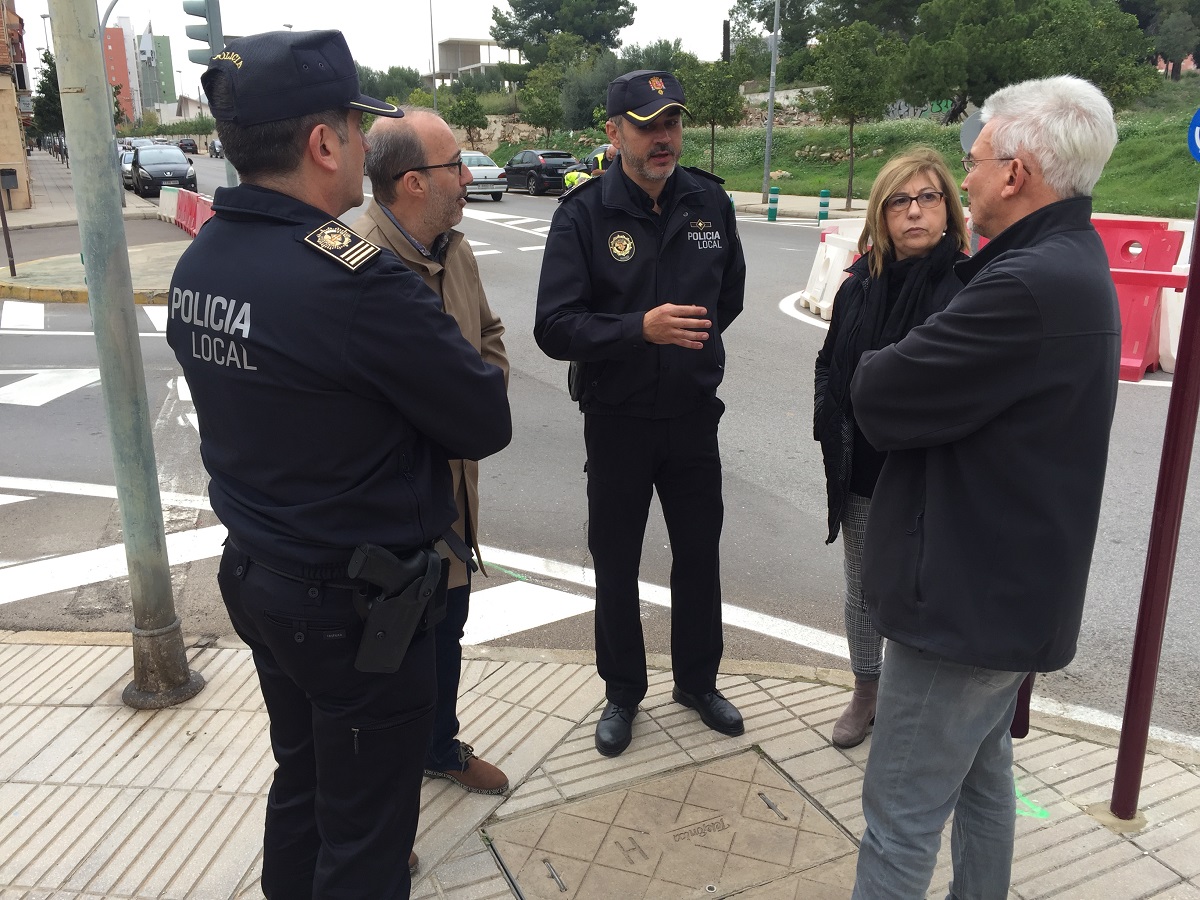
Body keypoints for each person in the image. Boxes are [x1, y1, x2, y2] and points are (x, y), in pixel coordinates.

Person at [166, 30, 511, 900]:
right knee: (366, 838)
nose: (363, 144)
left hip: (259, 572)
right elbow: (483, 417)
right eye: (355, 127)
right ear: (324, 143)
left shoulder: (202, 257)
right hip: (356, 607)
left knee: (304, 787)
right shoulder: (352, 278)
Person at [848, 75, 1120, 898]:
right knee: (983, 783)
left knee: (898, 818)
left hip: (962, 610)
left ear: (1015, 172)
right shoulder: (1064, 260)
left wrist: (876, 362)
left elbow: (877, 393)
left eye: (972, 161)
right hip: (1004, 598)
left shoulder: (1024, 286)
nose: (964, 178)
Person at [534, 69, 747, 757]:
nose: (665, 138)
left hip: (691, 417)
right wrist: (639, 331)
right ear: (614, 132)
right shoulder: (584, 213)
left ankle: (697, 681)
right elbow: (555, 326)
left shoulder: (710, 202)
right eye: (649, 124)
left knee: (698, 557)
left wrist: (687, 354)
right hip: (618, 419)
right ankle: (622, 692)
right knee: (616, 559)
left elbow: (729, 299)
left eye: (673, 123)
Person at [355, 108, 511, 796]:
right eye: (456, 165)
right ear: (414, 182)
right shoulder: (354, 261)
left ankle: (438, 747)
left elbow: (492, 337)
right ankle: (383, 810)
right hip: (388, 515)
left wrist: (472, 410)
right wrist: (456, 416)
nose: (468, 176)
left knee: (446, 631)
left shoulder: (455, 246)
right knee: (386, 664)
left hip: (453, 498)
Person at [813, 147, 970, 749]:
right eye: (899, 201)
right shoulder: (858, 286)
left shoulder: (966, 287)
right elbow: (829, 365)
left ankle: (920, 700)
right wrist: (832, 426)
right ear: (881, 215)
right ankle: (867, 690)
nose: (913, 212)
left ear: (947, 209)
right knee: (863, 588)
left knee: (927, 589)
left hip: (931, 475)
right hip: (862, 468)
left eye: (927, 198)